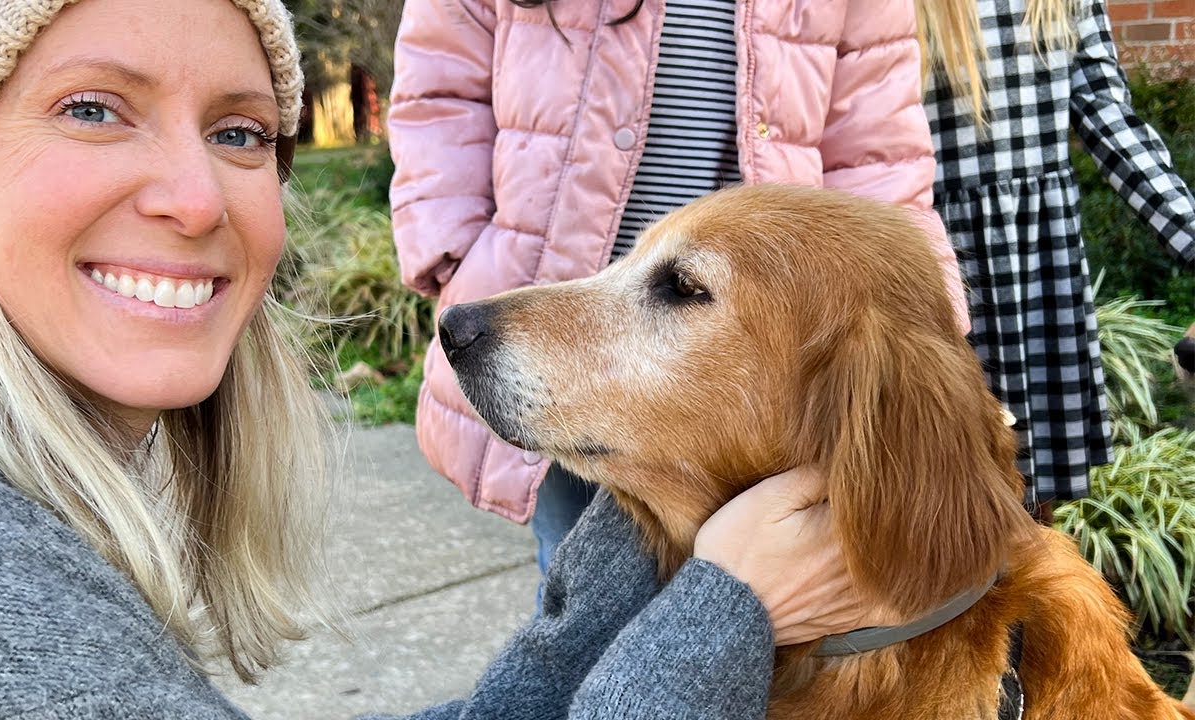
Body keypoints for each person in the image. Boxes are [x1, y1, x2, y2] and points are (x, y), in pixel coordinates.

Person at [0, 0, 877, 716]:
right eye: (91, 109)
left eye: (241, 133)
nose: (197, 201)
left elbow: (878, 145)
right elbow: (438, 93)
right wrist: (717, 615)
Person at [388, 0, 972, 587]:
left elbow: (878, 159)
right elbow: (437, 92)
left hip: (768, 362)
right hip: (559, 290)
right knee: (581, 596)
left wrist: (923, 345)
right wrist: (455, 251)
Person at [918, 0, 1195, 515]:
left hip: (1035, 264)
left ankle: (1034, 590)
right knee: (938, 484)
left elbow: (1110, 119)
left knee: (1034, 493)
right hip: (933, 255)